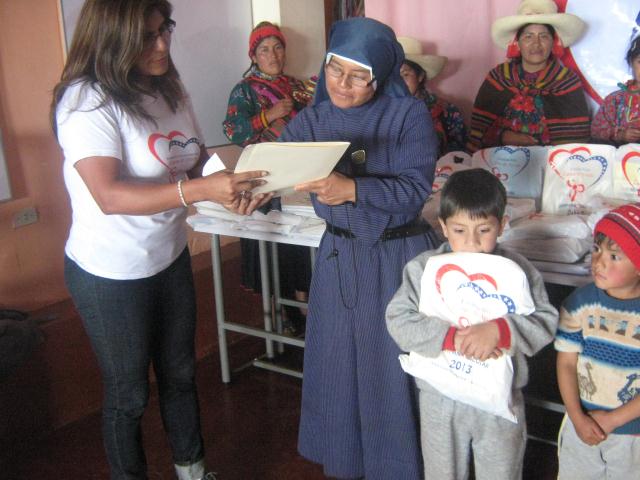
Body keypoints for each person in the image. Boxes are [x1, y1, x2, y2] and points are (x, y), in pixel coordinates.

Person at [51, 1, 271, 479]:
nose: (162, 44)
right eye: (147, 36)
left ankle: (192, 471)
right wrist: (202, 192)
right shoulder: (86, 100)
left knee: (180, 374)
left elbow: (196, 159)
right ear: (113, 37)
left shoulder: (167, 86)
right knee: (129, 394)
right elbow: (109, 195)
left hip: (167, 257)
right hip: (110, 273)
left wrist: (233, 187)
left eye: (164, 29)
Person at [283, 17, 441, 479]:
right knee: (338, 362)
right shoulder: (313, 119)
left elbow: (414, 191)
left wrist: (351, 189)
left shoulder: (408, 115)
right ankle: (347, 460)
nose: (342, 84)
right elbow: (278, 163)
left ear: (381, 77)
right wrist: (251, 186)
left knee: (388, 366)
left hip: (395, 258)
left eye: (358, 76)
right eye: (335, 69)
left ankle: (398, 466)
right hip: (339, 258)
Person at [386, 168, 558, 480]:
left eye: (484, 230)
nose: (472, 242)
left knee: (501, 472)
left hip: (500, 400)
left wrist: (500, 331)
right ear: (443, 226)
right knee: (442, 473)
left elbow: (545, 321)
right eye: (459, 230)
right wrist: (450, 338)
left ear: (502, 225)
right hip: (440, 398)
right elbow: (398, 319)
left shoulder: (518, 271)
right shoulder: (423, 269)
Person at [222, 21, 314, 334]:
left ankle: (306, 314)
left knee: (301, 246)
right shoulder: (244, 90)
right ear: (254, 55)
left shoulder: (297, 87)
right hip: (264, 181)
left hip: (299, 176)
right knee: (275, 250)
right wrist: (269, 115)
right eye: (264, 50)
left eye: (277, 48)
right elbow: (233, 131)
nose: (272, 55)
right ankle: (283, 319)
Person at [555, 203, 640, 479]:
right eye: (597, 249)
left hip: (633, 437)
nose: (599, 261)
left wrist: (614, 419)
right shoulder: (580, 303)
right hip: (581, 426)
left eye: (614, 256)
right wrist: (577, 417)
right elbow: (566, 363)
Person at [467, 0, 591, 152]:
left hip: (551, 163)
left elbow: (574, 140)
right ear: (517, 43)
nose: (536, 44)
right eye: (528, 36)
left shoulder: (567, 81)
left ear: (553, 43)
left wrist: (538, 144)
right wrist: (502, 136)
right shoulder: (498, 77)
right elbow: (479, 130)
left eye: (543, 36)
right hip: (499, 160)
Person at [397, 36, 467, 157]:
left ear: (420, 76)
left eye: (405, 74)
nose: (398, 82)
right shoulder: (382, 111)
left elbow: (459, 156)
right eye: (393, 76)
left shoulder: (447, 112)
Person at [591, 37, 640, 145]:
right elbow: (596, 132)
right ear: (631, 62)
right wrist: (621, 135)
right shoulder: (615, 100)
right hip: (623, 155)